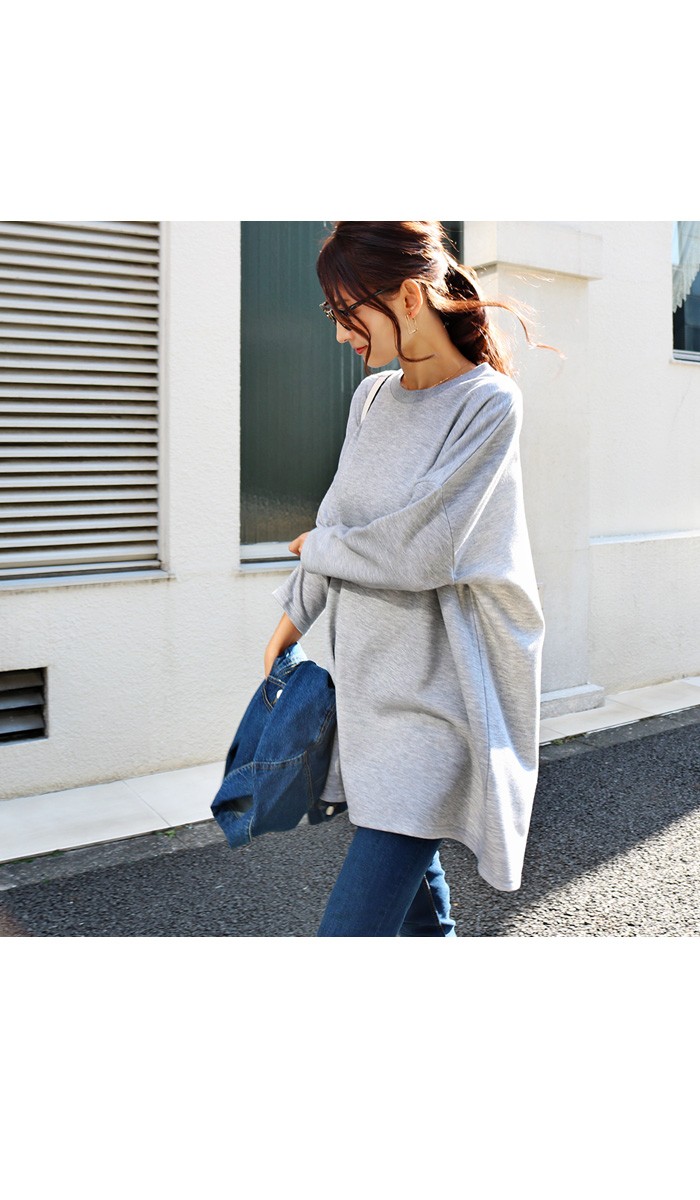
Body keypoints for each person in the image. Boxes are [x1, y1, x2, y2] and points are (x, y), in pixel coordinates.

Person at [264, 221, 546, 937]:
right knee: (419, 916)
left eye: (348, 312)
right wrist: (288, 626)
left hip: (441, 698)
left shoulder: (488, 403)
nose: (340, 334)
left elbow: (425, 551)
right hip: (367, 689)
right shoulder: (371, 400)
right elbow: (340, 519)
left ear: (411, 298)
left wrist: (320, 546)